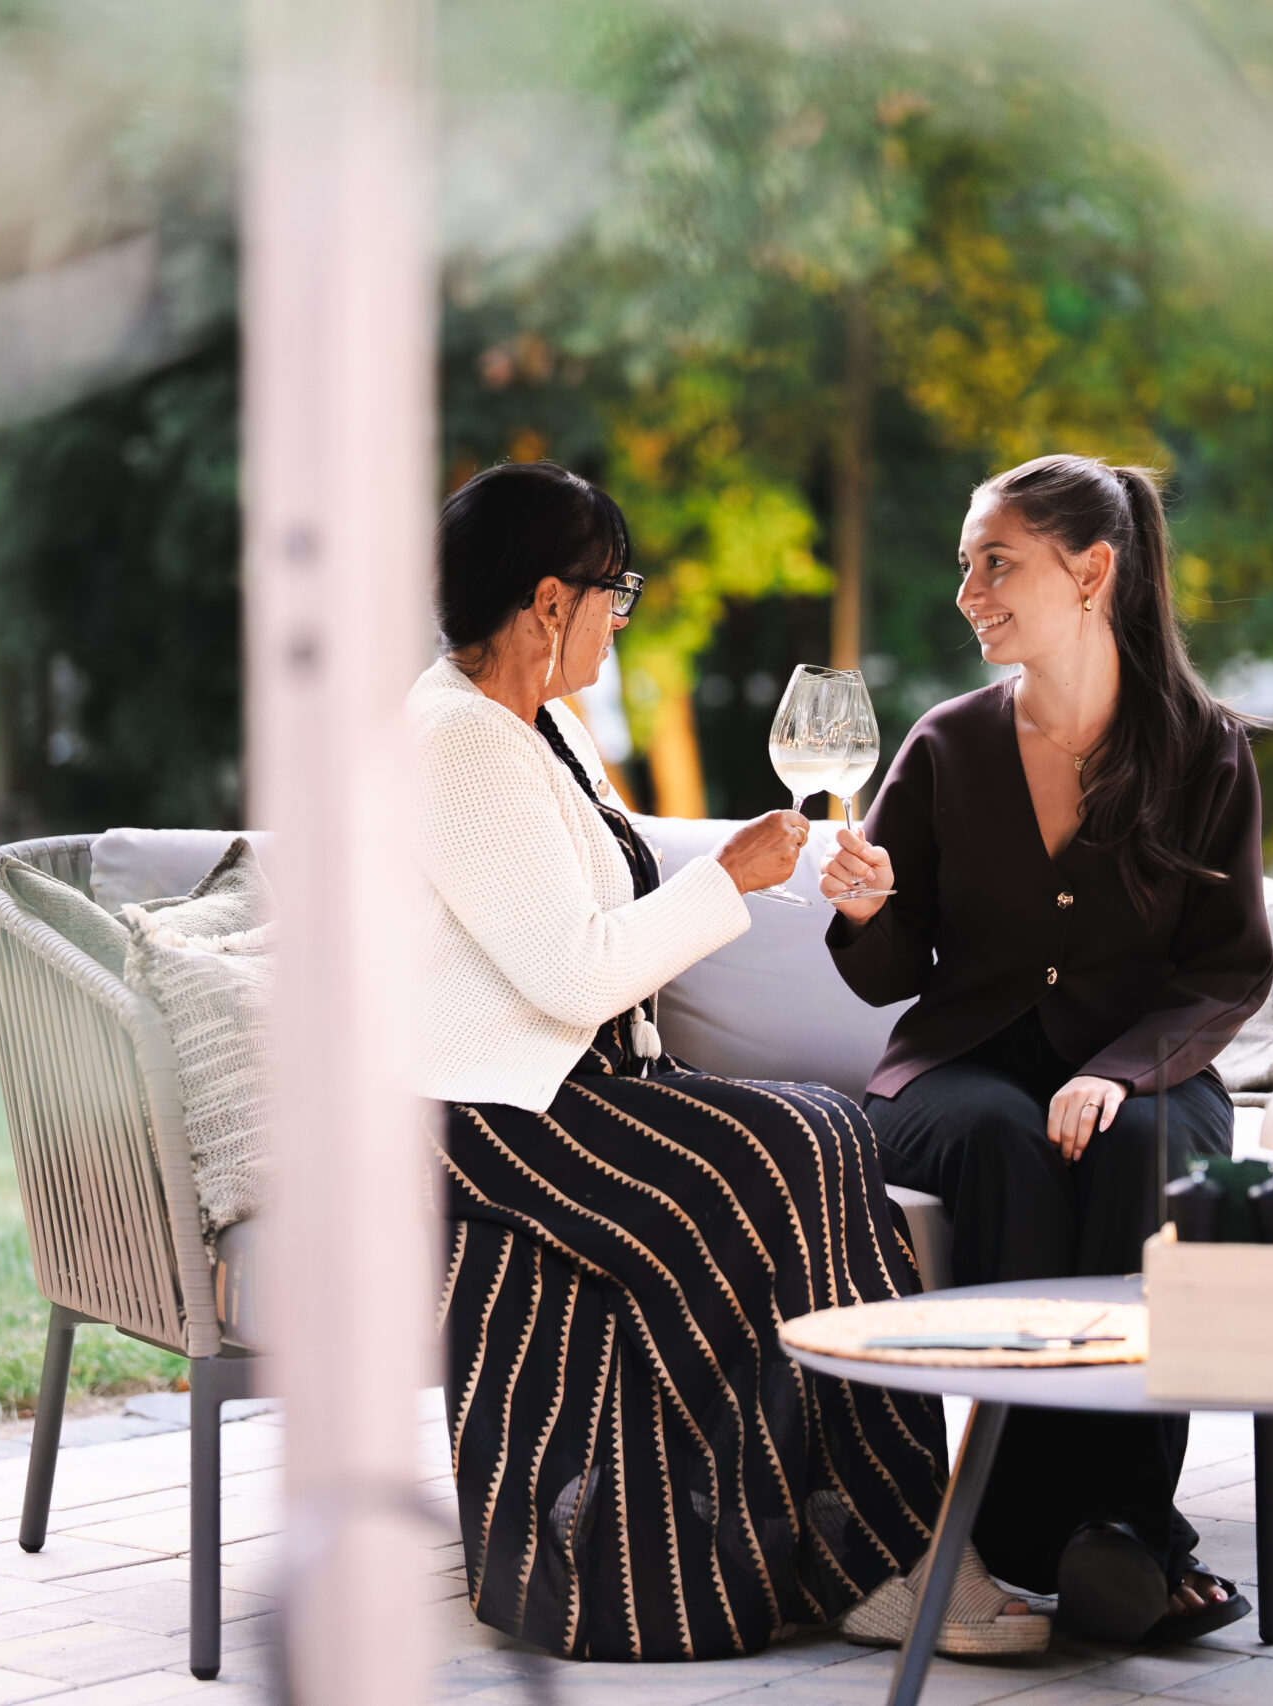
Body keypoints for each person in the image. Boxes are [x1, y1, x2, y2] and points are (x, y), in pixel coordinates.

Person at [416, 461, 1046, 1662]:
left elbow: (590, 925)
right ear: (547, 600)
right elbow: (573, 973)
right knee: (797, 1140)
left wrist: (748, 872)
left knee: (826, 1128)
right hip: (493, 1110)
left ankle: (882, 1542)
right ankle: (891, 1552)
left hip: (579, 1086)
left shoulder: (540, 725)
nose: (620, 616)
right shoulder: (456, 740)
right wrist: (730, 879)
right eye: (614, 592)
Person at [820, 453, 1273, 1647]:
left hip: (1148, 1064)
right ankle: (1040, 1535)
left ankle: (1120, 1526)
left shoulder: (1204, 751)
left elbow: (1228, 968)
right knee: (999, 1138)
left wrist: (1116, 1071)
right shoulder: (947, 744)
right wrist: (867, 910)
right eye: (964, 564)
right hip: (954, 1071)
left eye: (995, 562)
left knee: (1145, 1148)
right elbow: (891, 973)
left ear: (1090, 570)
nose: (966, 591)